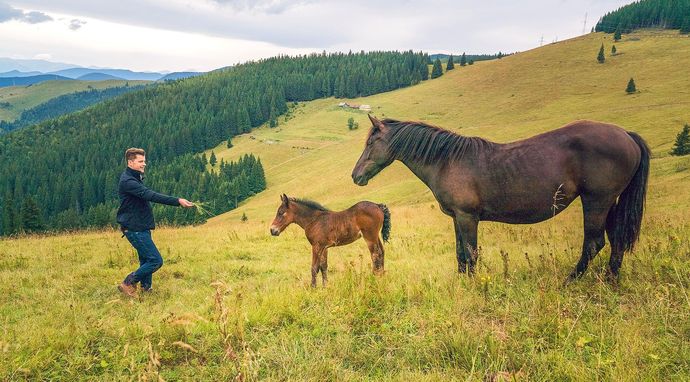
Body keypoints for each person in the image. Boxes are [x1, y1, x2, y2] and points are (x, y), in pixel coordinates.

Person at [116, 148, 195, 297]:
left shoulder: (134, 177)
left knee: (146, 259)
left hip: (141, 226)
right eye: (140, 161)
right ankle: (127, 283)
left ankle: (146, 290)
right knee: (155, 260)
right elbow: (150, 195)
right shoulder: (128, 181)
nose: (144, 164)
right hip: (135, 228)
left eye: (144, 161)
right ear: (130, 162)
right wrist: (177, 201)